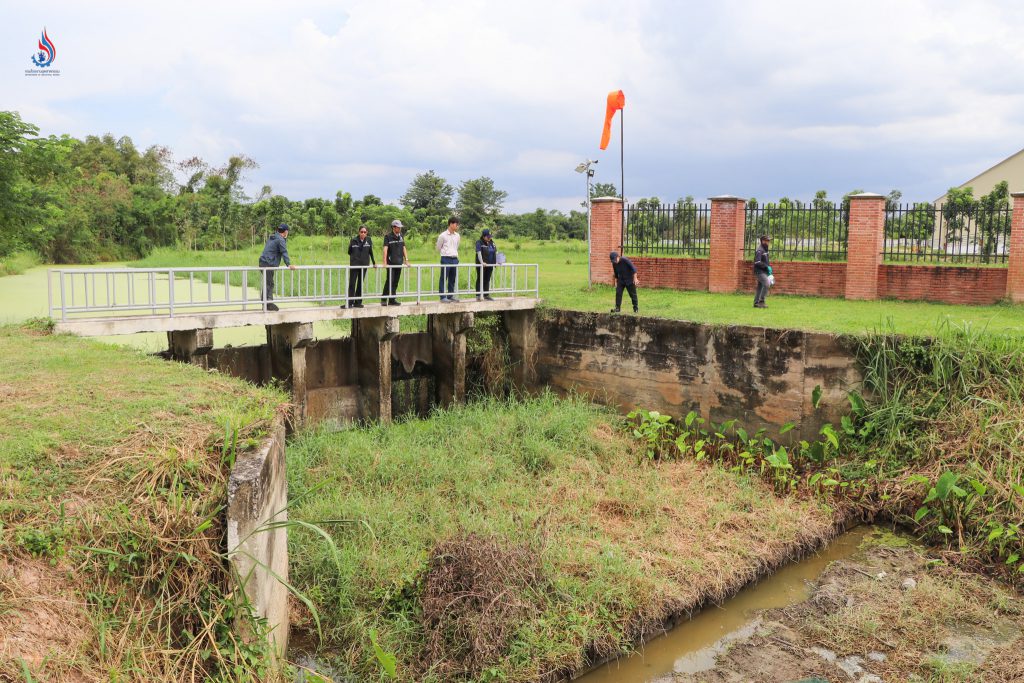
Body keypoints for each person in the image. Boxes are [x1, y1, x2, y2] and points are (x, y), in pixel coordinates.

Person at [258, 223, 296, 311]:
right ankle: (268, 304)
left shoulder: (273, 237)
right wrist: (289, 264)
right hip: (268, 263)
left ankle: (266, 304)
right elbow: (284, 252)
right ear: (286, 232)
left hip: (263, 262)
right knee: (269, 283)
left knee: (268, 283)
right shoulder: (280, 239)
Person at [344, 225, 376, 308]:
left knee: (360, 284)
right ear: (359, 232)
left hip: (364, 265)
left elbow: (370, 252)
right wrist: (356, 258)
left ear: (367, 233)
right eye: (361, 232)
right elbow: (349, 251)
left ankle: (358, 302)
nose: (363, 233)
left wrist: (374, 262)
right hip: (354, 265)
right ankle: (349, 302)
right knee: (352, 284)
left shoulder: (368, 240)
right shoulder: (354, 240)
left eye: (365, 232)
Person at [381, 219, 410, 305]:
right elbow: (385, 249)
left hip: (399, 262)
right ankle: (384, 299)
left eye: (400, 227)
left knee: (395, 282)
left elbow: (403, 248)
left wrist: (406, 260)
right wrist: (384, 262)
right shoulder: (388, 237)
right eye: (398, 227)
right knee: (389, 281)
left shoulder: (401, 236)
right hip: (391, 263)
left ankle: (392, 300)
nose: (400, 229)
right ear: (394, 227)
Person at [436, 216, 461, 302]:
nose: (457, 226)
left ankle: (450, 295)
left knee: (452, 277)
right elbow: (438, 248)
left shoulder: (457, 235)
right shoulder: (442, 235)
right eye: (456, 224)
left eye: (457, 224)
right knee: (443, 277)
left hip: (454, 258)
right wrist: (446, 253)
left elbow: (456, 246)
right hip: (445, 258)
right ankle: (443, 297)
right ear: (451, 224)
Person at [474, 228, 497, 300]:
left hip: (490, 265)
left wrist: (498, 261)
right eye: (488, 237)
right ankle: (478, 295)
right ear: (484, 236)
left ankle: (486, 294)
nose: (489, 238)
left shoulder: (492, 242)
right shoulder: (479, 242)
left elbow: (496, 252)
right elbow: (479, 252)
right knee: (480, 278)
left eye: (490, 236)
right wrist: (482, 262)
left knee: (487, 279)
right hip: (482, 265)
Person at [753, 234, 773, 309]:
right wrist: (766, 267)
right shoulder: (760, 250)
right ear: (763, 241)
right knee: (767, 284)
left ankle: (756, 303)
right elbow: (757, 262)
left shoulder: (765, 249)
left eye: (769, 241)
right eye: (767, 241)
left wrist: (768, 268)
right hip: (759, 271)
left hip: (763, 271)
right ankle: (761, 302)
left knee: (760, 287)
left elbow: (765, 261)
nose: (768, 242)